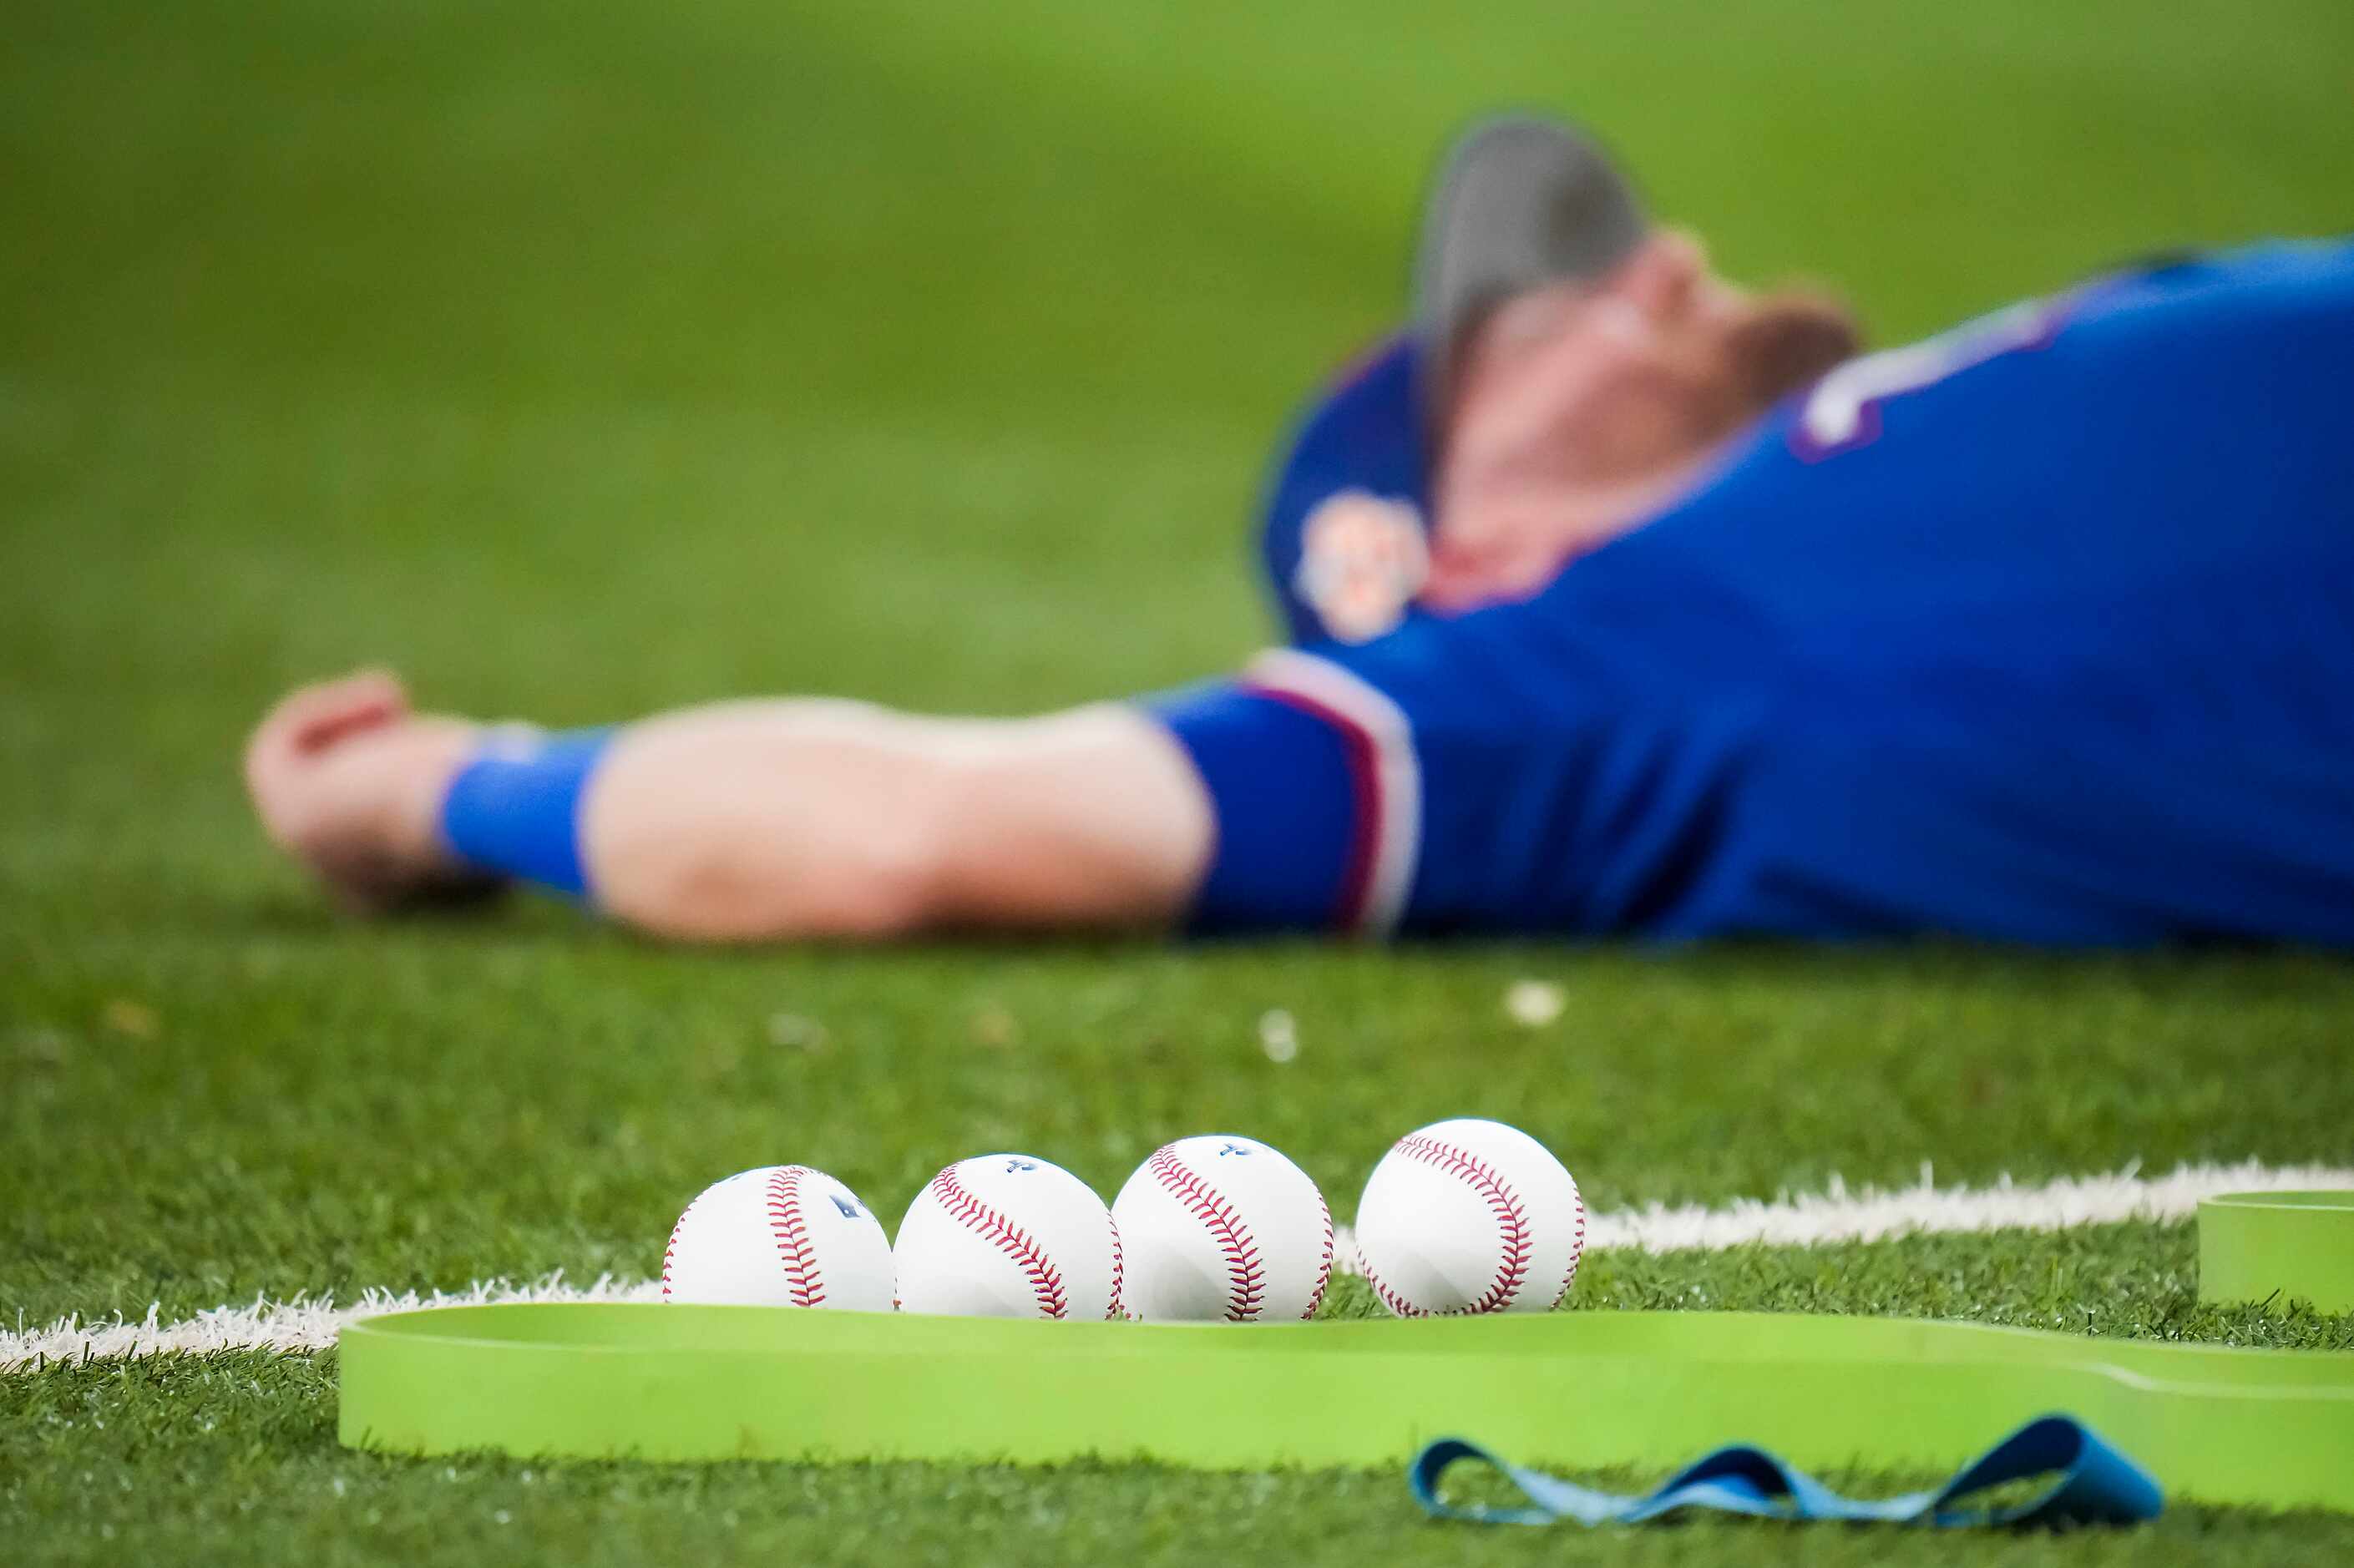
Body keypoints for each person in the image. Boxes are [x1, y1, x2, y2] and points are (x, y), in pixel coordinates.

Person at [244, 118, 2354, 947]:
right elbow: (915, 822)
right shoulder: (1569, 670)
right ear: (1460, 560)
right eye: (1545, 326)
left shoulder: (1841, 475)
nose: (1666, 263)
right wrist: (445, 789)